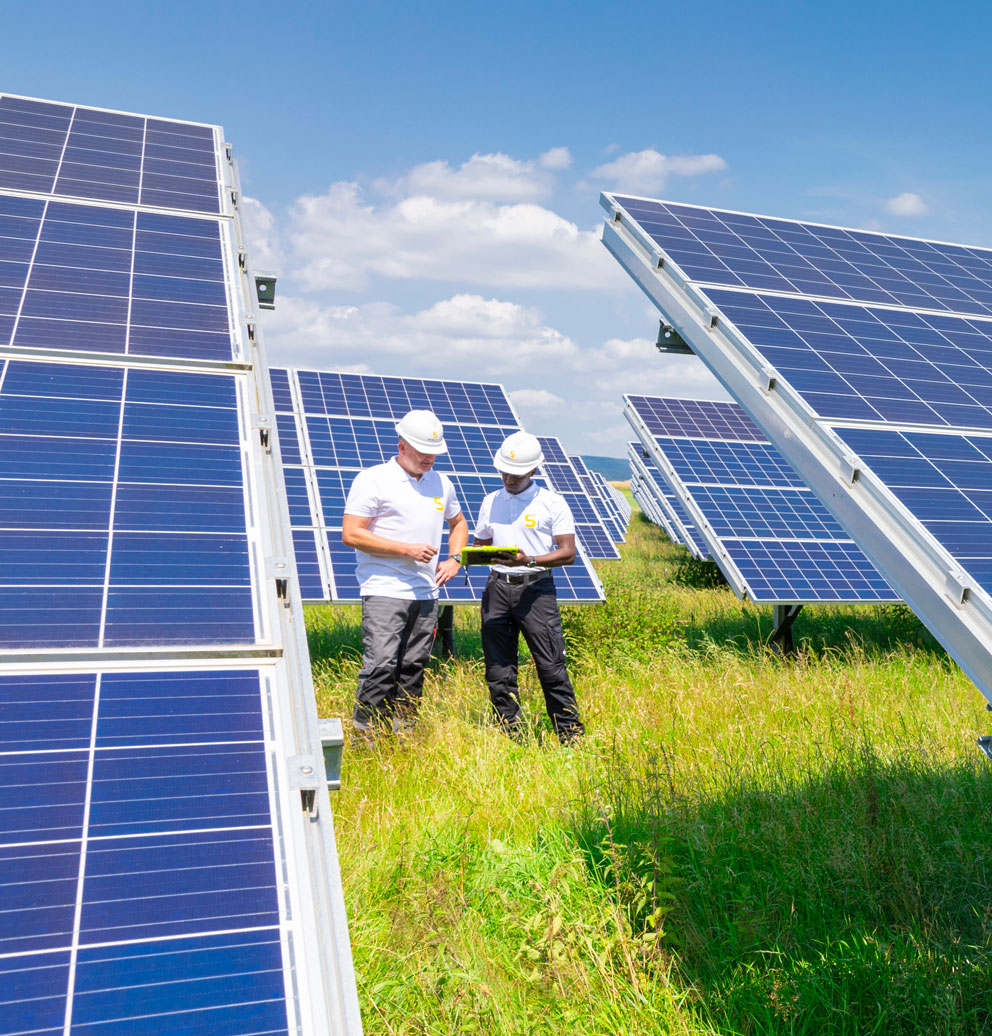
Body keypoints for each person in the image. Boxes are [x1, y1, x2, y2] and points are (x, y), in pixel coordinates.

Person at [342, 410, 468, 735]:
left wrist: (455, 558)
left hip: (426, 593)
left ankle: (405, 733)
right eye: (424, 452)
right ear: (402, 446)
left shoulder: (442, 482)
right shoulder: (372, 480)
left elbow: (459, 524)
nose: (430, 459)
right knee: (381, 665)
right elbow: (352, 533)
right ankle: (366, 735)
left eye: (435, 453)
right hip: (385, 589)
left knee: (413, 666)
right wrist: (405, 549)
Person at [473, 431, 584, 744]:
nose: (509, 477)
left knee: (550, 665)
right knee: (498, 668)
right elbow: (481, 543)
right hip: (496, 588)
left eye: (517, 473)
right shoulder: (490, 501)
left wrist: (529, 559)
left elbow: (568, 552)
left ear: (534, 470)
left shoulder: (552, 503)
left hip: (536, 591)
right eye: (505, 471)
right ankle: (511, 735)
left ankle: (570, 735)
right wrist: (478, 554)